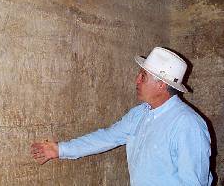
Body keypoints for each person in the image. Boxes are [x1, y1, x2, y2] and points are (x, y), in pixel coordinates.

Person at [31, 47, 213, 185]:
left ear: (161, 85)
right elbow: (106, 137)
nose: (137, 80)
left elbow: (193, 182)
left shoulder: (188, 124)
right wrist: (60, 150)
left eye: (143, 76)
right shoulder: (140, 114)